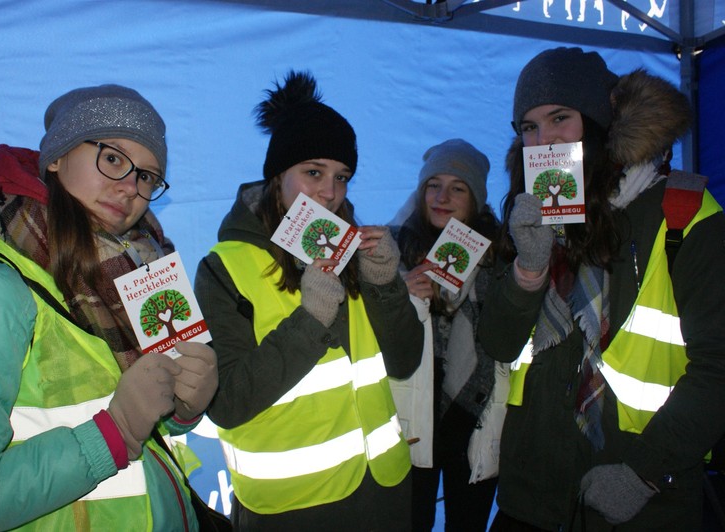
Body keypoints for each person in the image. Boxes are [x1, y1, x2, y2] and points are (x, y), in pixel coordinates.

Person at [0, 84, 219, 530]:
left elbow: (141, 425)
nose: (130, 189)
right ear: (57, 157)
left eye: (147, 176)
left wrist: (181, 409)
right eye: (114, 158)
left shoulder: (136, 268)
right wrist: (114, 432)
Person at [478, 47, 725, 531]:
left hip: (640, 499)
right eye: (528, 127)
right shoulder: (535, 212)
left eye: (560, 118)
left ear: (599, 120)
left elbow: (718, 369)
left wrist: (645, 472)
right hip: (531, 496)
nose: (544, 139)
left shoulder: (687, 212)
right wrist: (528, 271)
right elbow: (499, 344)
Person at [194, 70, 423, 531]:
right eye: (313, 173)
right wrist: (311, 317)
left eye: (343, 177)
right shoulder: (224, 267)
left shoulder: (354, 250)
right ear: (277, 176)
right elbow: (227, 402)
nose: (330, 193)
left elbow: (404, 360)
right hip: (291, 510)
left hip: (387, 494)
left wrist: (385, 282)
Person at [389, 138, 501, 531]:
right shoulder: (390, 247)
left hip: (473, 416)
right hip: (408, 422)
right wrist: (397, 291)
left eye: (458, 188)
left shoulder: (502, 253)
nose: (442, 197)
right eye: (433, 185)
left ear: (477, 198)